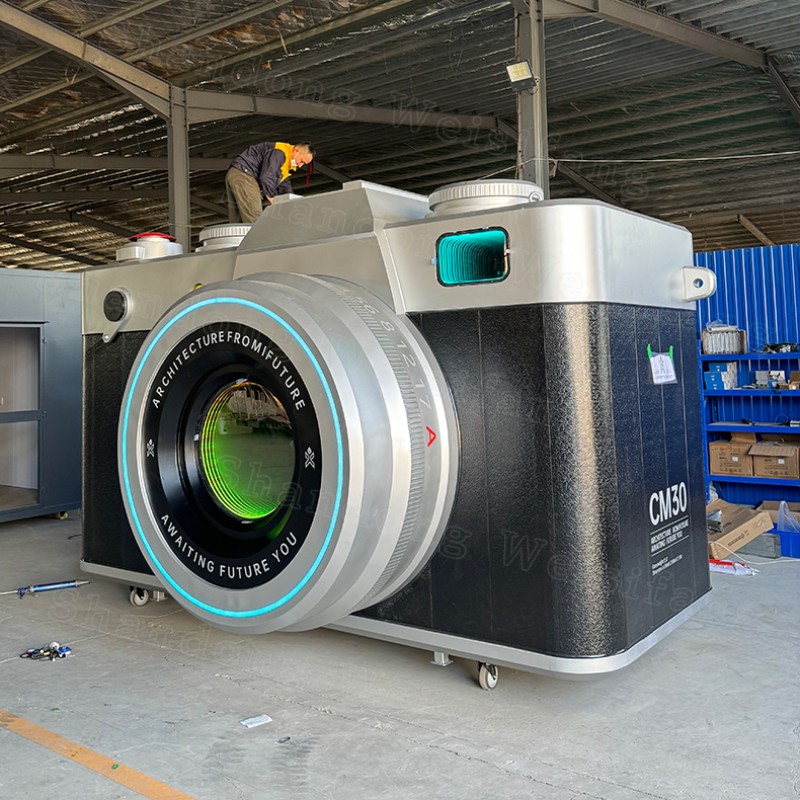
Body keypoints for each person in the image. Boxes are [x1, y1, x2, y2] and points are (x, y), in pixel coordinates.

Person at [226, 141, 315, 224]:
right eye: (301, 161)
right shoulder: (279, 153)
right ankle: (257, 240)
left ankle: (239, 240)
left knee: (237, 221)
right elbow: (266, 177)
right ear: (296, 150)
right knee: (254, 217)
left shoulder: (285, 165)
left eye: (304, 164)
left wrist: (291, 205)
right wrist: (272, 198)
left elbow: (285, 188)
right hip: (245, 174)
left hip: (236, 173)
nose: (300, 165)